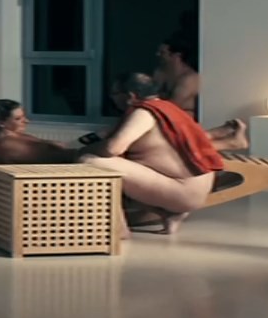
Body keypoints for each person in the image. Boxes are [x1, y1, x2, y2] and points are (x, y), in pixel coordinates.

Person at [81, 72, 230, 234]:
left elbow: (113, 148)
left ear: (130, 96)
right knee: (114, 164)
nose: (112, 99)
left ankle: (118, 228)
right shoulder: (168, 107)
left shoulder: (143, 113)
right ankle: (168, 214)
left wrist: (85, 150)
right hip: (195, 186)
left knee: (89, 161)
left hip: (183, 190)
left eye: (115, 94)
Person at [152, 30, 250, 150]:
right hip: (162, 122)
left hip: (180, 124)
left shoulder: (189, 78)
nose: (158, 55)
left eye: (163, 52)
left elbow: (170, 108)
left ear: (176, 56)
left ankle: (226, 139)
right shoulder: (160, 73)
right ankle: (219, 134)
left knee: (167, 147)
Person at [0, 99, 82, 164]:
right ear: (1, 123)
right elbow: (57, 157)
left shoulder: (10, 138)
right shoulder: (7, 144)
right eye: (18, 119)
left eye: (24, 116)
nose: (26, 121)